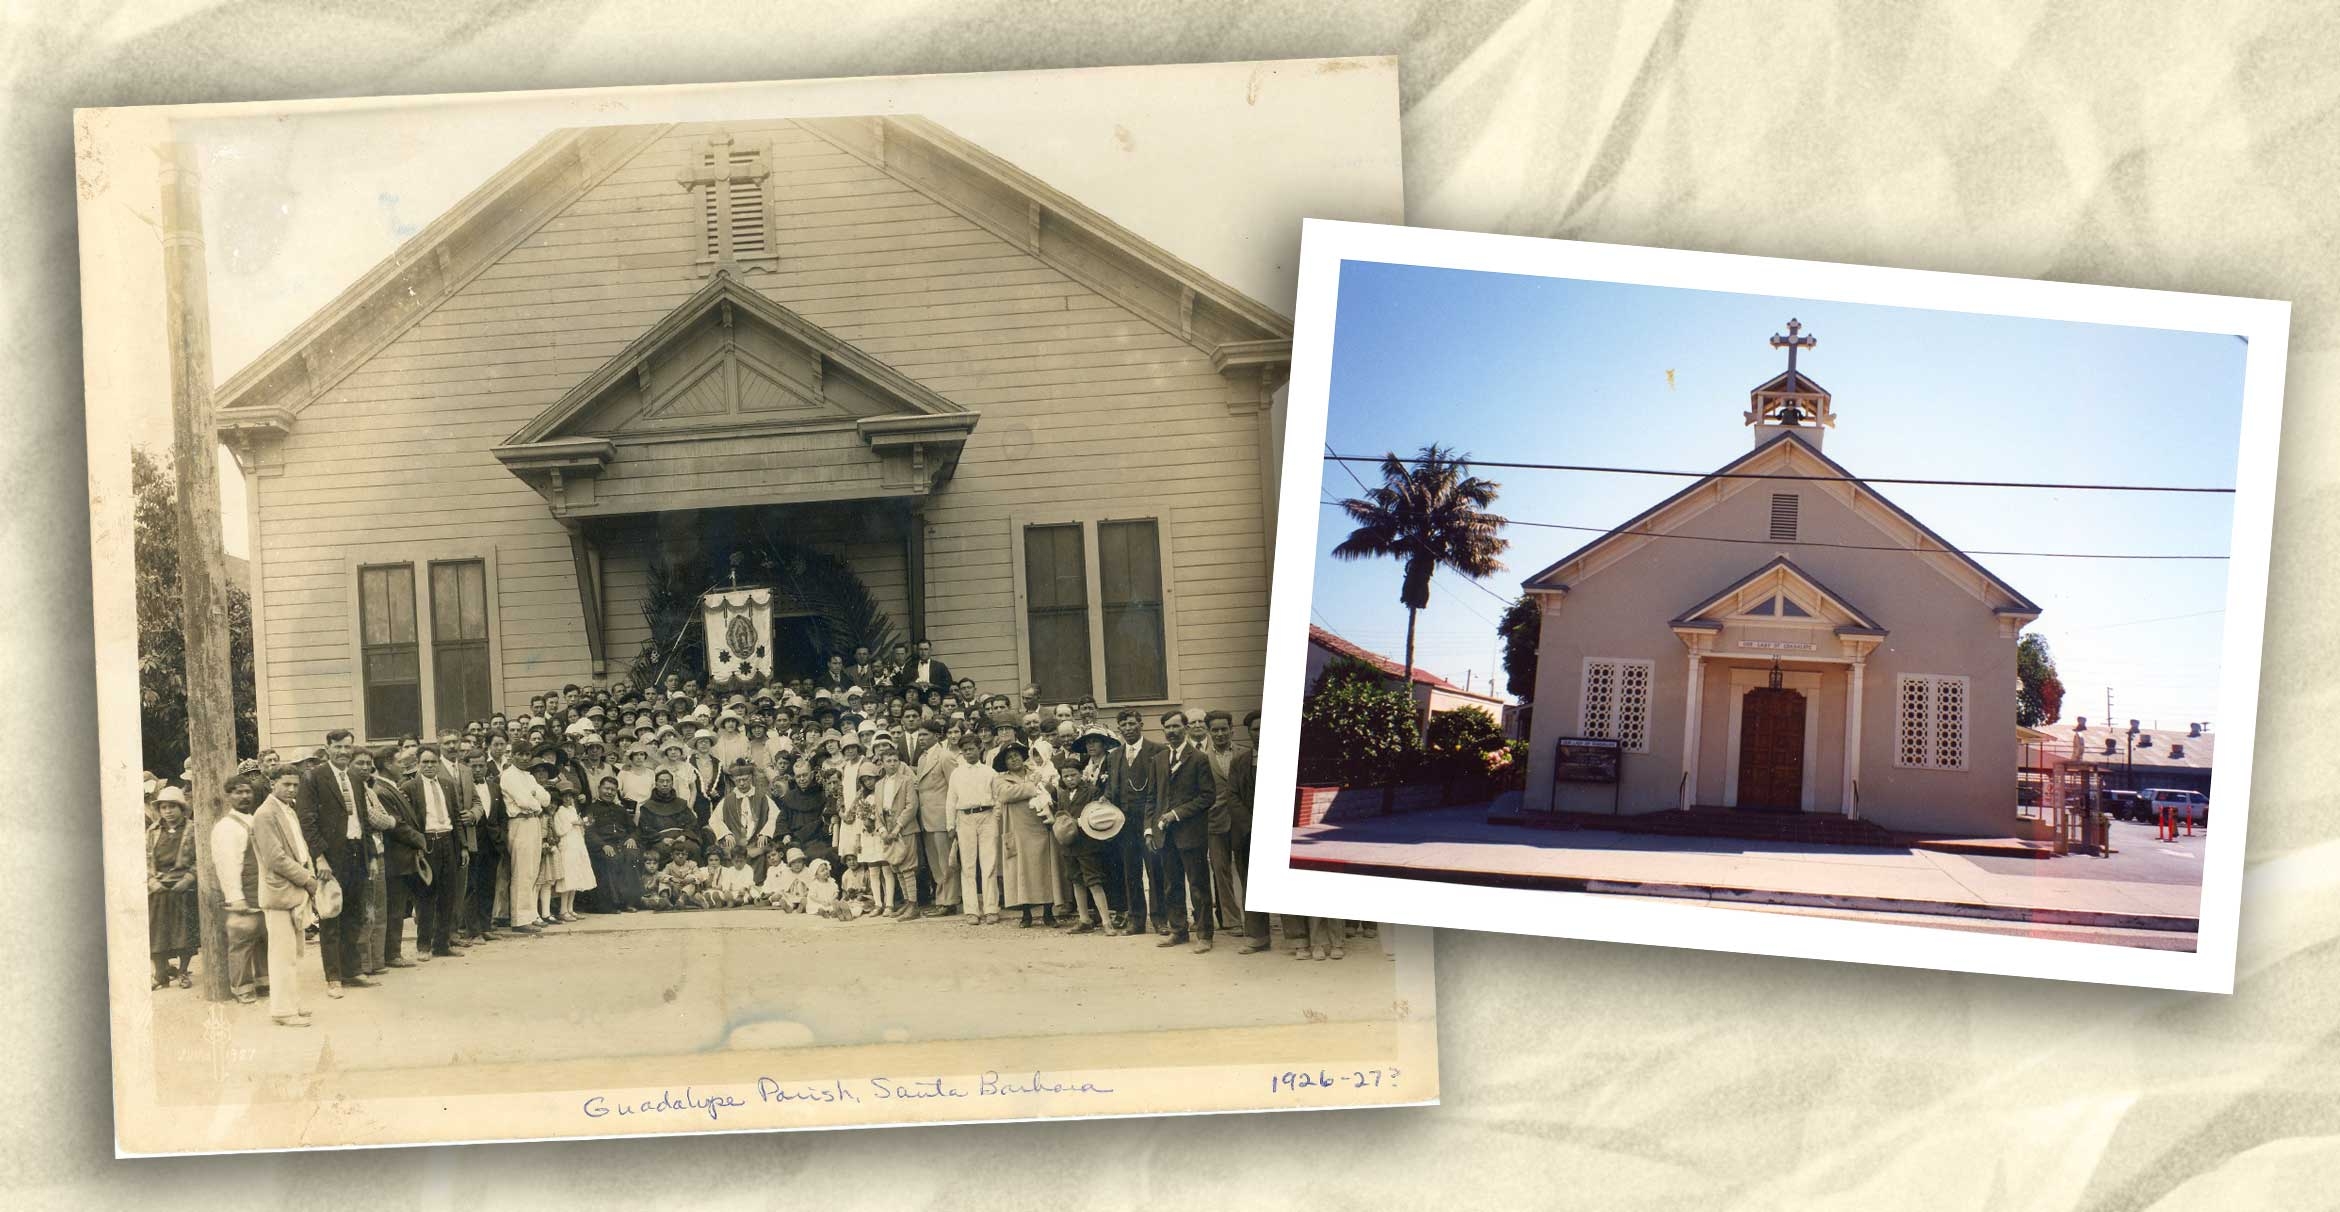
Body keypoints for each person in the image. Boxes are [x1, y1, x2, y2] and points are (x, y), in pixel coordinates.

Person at [295, 729, 377, 995]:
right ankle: (333, 977)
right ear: (328, 748)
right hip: (331, 857)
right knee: (331, 915)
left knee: (354, 914)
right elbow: (307, 821)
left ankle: (352, 970)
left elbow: (362, 819)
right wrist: (320, 858)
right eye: (339, 747)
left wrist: (371, 855)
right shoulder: (314, 778)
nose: (344, 752)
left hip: (356, 852)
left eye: (348, 747)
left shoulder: (354, 776)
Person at [251, 768, 320, 1027]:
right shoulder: (265, 814)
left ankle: (291, 1002)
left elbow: (300, 848)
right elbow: (275, 858)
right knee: (281, 954)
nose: (292, 789)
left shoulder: (288, 810)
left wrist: (308, 874)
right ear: (272, 784)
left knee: (293, 952)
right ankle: (282, 1010)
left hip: (296, 886)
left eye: (295, 785)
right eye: (286, 784)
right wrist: (307, 879)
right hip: (280, 889)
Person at [1149, 711, 1215, 954]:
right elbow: (1152, 798)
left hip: (1191, 833)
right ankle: (1178, 930)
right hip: (1164, 835)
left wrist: (1176, 814)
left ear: (1186, 728)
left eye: (1176, 726)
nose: (1172, 731)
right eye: (1167, 727)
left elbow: (1208, 796)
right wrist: (1150, 828)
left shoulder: (1198, 759)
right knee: (1170, 884)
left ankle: (1205, 934)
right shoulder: (1158, 759)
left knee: (1198, 885)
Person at [400, 744, 466, 960]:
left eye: (433, 762)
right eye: (425, 762)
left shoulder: (447, 784)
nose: (429, 766)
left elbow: (456, 818)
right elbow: (406, 822)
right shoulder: (410, 787)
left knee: (448, 895)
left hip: (448, 842)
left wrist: (463, 846)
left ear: (439, 763)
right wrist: (417, 847)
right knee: (425, 896)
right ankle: (423, 946)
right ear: (418, 764)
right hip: (427, 844)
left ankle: (442, 944)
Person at [1201, 710, 1261, 947]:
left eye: (1224, 729)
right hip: (1215, 821)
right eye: (1215, 730)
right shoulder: (1202, 757)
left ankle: (1252, 920)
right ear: (1209, 732)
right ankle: (1232, 919)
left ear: (1231, 729)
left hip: (1241, 821)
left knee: (1245, 871)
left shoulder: (1244, 754)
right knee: (1221, 871)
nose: (1220, 733)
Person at [210, 775, 267, 1004]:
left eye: (247, 792)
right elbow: (227, 864)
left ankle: (263, 981)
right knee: (242, 938)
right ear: (228, 796)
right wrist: (235, 897)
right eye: (238, 792)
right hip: (243, 890)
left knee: (263, 935)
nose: (244, 796)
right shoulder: (226, 827)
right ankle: (241, 986)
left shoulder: (254, 820)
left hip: (261, 888)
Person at [992, 741, 1061, 929]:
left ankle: (1048, 913)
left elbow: (1050, 790)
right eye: (1009, 757)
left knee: (1044, 870)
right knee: (1021, 872)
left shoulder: (1036, 772)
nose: (1013, 759)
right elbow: (1006, 795)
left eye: (1016, 755)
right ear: (1004, 763)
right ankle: (1026, 914)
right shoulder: (1001, 780)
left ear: (1022, 757)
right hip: (1018, 830)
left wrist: (1045, 787)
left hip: (1039, 827)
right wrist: (1031, 786)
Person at [1112, 708, 1164, 937]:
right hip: (1124, 825)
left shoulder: (1157, 751)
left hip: (1148, 823)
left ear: (1141, 724)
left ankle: (1161, 919)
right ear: (1119, 729)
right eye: (1124, 725)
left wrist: (1153, 824)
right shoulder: (1114, 755)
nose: (1128, 728)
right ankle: (1136, 921)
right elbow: (1111, 789)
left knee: (1156, 871)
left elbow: (1162, 790)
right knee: (1130, 872)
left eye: (1132, 723)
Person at [146, 787, 200, 989]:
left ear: (181, 808)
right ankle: (160, 974)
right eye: (163, 807)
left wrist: (188, 878)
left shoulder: (192, 829)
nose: (168, 811)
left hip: (182, 886)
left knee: (184, 932)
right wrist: (151, 880)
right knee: (156, 931)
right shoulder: (152, 831)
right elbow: (145, 858)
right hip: (158, 886)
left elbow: (199, 859)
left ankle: (183, 971)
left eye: (172, 807)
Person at [910, 717, 961, 917]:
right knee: (934, 862)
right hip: (926, 818)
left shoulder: (945, 756)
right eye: (919, 735)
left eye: (925, 735)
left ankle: (949, 901)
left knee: (946, 861)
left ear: (936, 736)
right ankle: (942, 899)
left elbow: (955, 787)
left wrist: (952, 820)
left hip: (942, 817)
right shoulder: (923, 758)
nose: (921, 738)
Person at [500, 746, 553, 934]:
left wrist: (534, 800)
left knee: (531, 870)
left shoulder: (529, 777)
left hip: (533, 823)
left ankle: (530, 915)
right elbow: (523, 801)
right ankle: (519, 919)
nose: (523, 757)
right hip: (519, 822)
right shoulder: (508, 775)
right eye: (520, 753)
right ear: (512, 755)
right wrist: (534, 801)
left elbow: (546, 798)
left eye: (526, 753)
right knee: (521, 871)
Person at [460, 751, 506, 944]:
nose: (478, 770)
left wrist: (501, 836)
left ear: (486, 766)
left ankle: (486, 926)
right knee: (472, 886)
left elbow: (502, 816)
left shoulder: (494, 787)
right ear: (467, 767)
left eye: (481, 765)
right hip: (473, 842)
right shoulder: (462, 788)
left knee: (488, 885)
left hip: (492, 843)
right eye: (473, 766)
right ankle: (473, 930)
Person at [872, 740, 919, 921]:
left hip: (904, 828)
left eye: (895, 760)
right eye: (888, 761)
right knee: (896, 866)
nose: (892, 763)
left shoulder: (906, 781)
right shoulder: (879, 785)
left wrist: (898, 826)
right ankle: (907, 902)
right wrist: (883, 830)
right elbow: (877, 811)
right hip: (888, 828)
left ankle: (914, 905)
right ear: (882, 763)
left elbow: (911, 806)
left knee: (907, 866)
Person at [585, 775, 642, 913]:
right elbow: (589, 832)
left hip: (621, 843)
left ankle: (629, 902)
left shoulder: (620, 810)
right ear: (599, 789)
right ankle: (609, 904)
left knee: (632, 856)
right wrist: (602, 845)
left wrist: (632, 838)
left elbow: (634, 829)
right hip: (601, 846)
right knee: (610, 859)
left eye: (613, 790)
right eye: (606, 788)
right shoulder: (590, 809)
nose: (609, 792)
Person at [551, 787, 596, 922]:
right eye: (565, 796)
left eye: (570, 796)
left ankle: (570, 909)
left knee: (576, 876)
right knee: (568, 877)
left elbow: (579, 827)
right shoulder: (560, 811)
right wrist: (573, 823)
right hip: (567, 845)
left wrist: (582, 823)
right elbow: (559, 831)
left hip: (576, 844)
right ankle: (563, 910)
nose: (568, 799)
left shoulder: (572, 809)